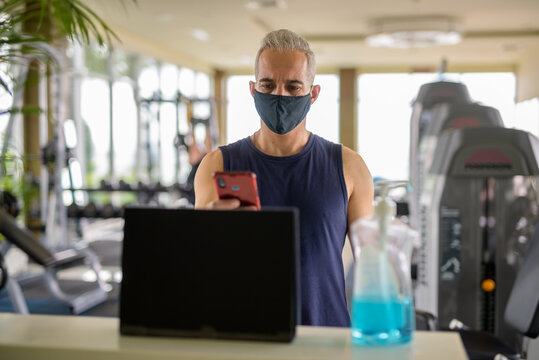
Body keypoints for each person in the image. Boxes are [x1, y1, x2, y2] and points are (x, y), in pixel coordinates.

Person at [194, 29, 374, 327]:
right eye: (268, 84)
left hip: (326, 337)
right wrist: (206, 233)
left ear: (313, 94)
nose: (279, 95)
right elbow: (198, 268)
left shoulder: (349, 167)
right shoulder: (217, 165)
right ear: (253, 90)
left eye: (293, 87)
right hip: (243, 335)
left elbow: (372, 270)